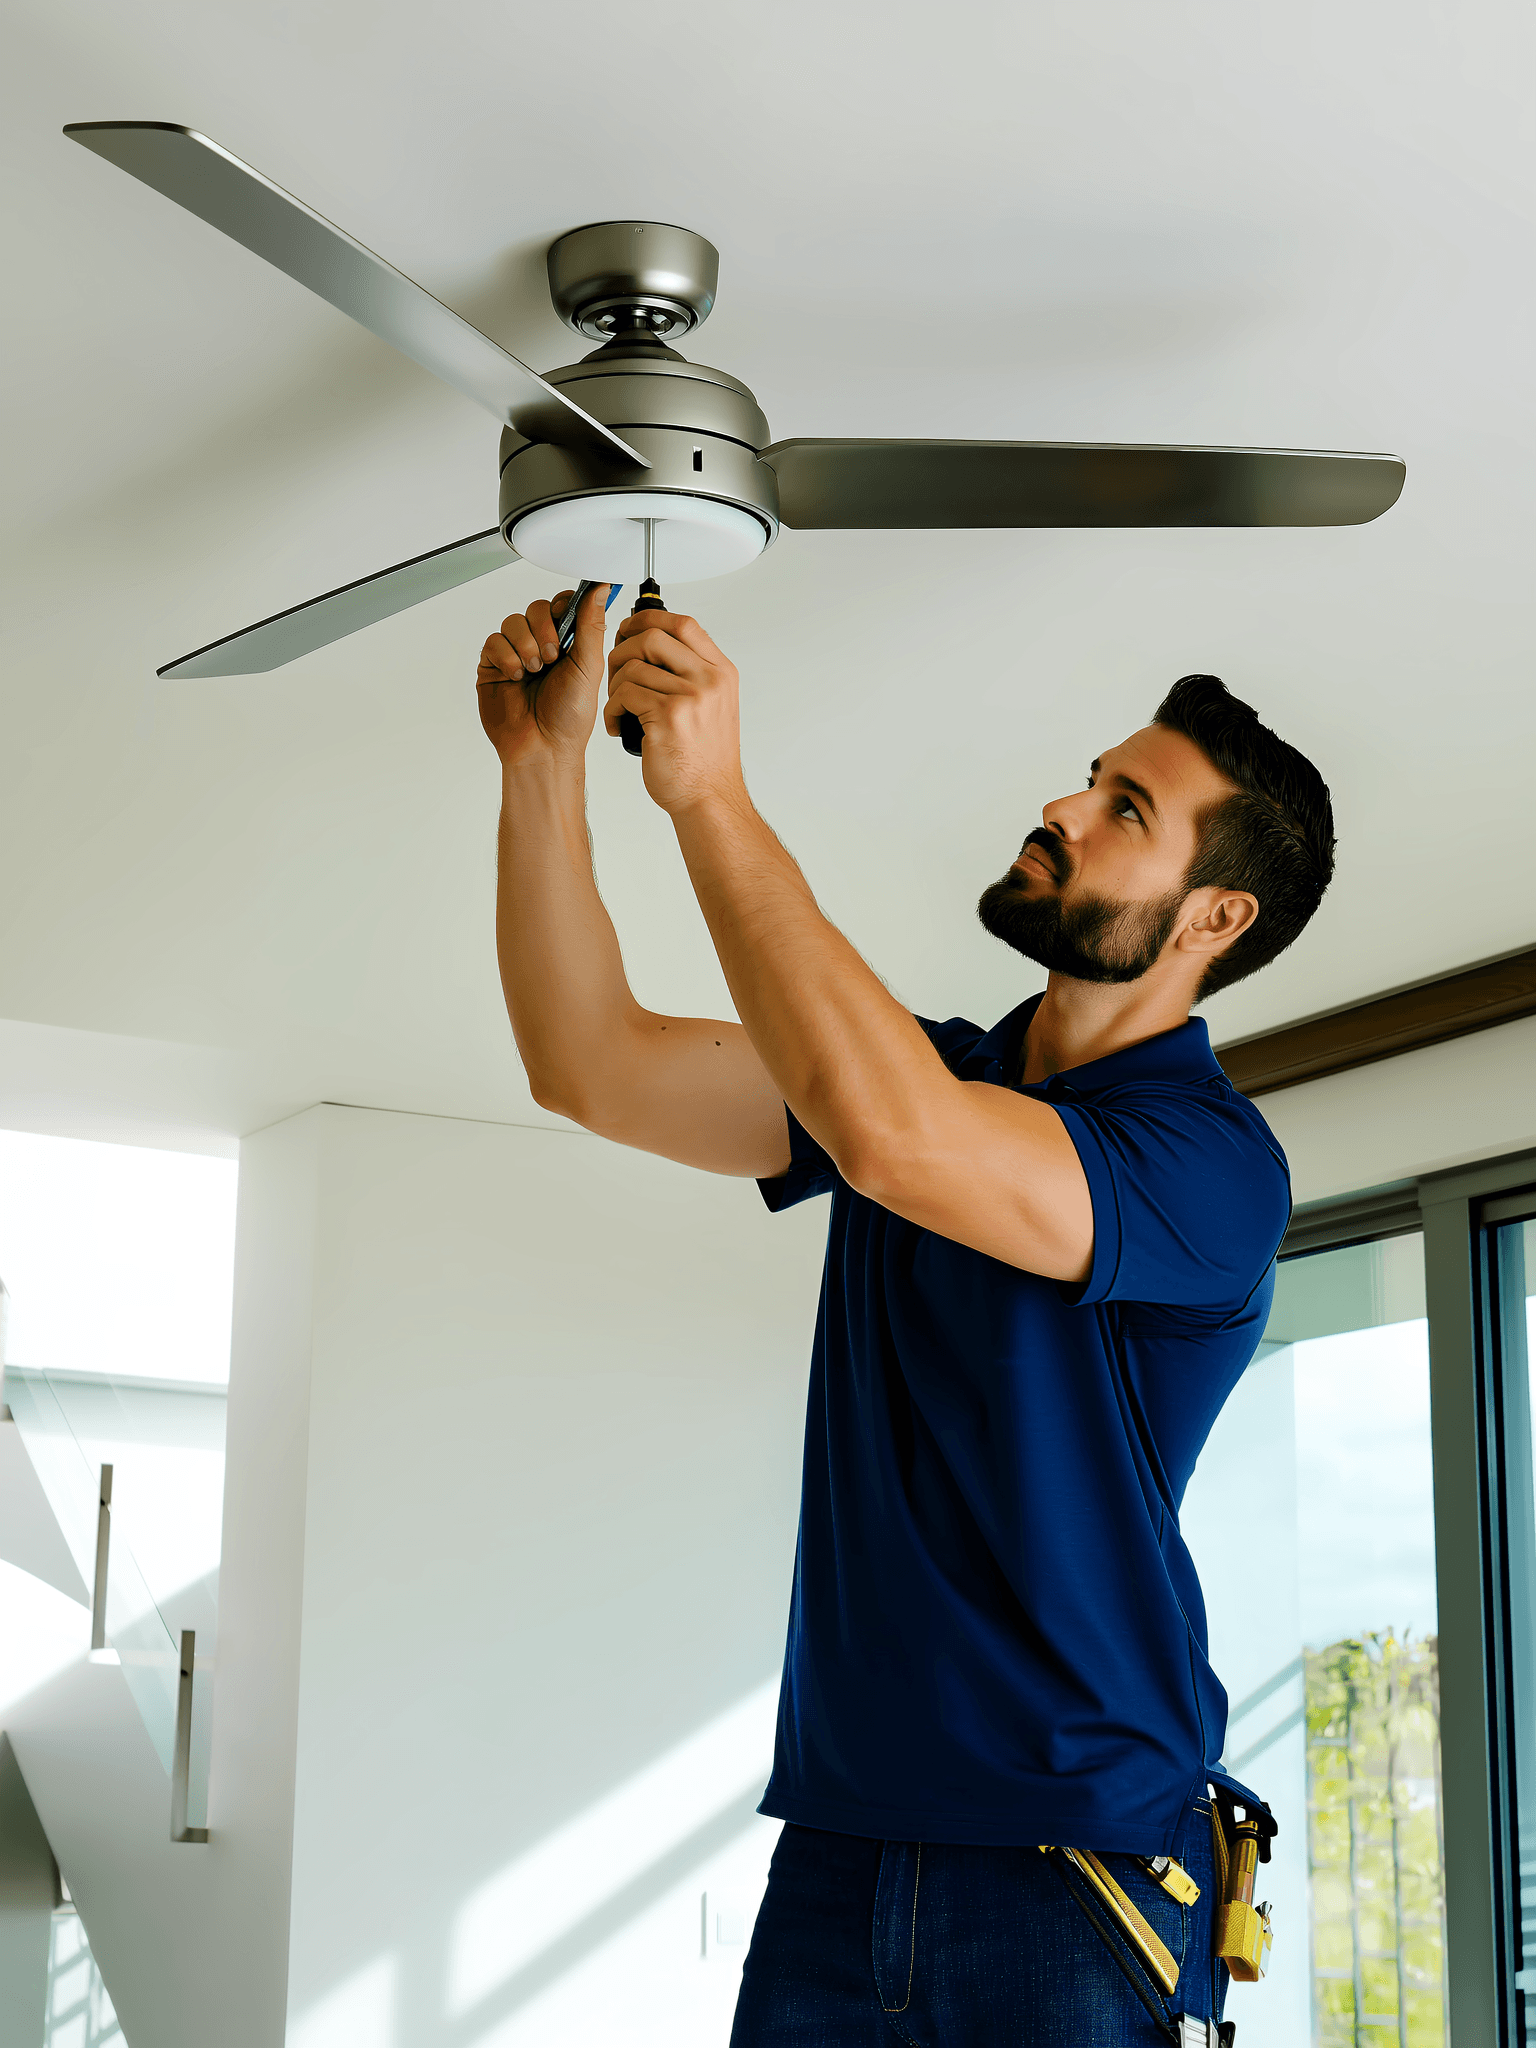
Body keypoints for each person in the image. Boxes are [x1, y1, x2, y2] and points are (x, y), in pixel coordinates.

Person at [475, 583, 1334, 2048]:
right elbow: (590, 1061)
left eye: (1126, 806)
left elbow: (902, 1144)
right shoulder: (926, 1075)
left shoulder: (1210, 1167)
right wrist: (541, 767)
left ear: (1217, 916)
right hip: (843, 1838)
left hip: (1074, 1869)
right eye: (1091, 774)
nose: (1065, 801)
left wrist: (710, 797)